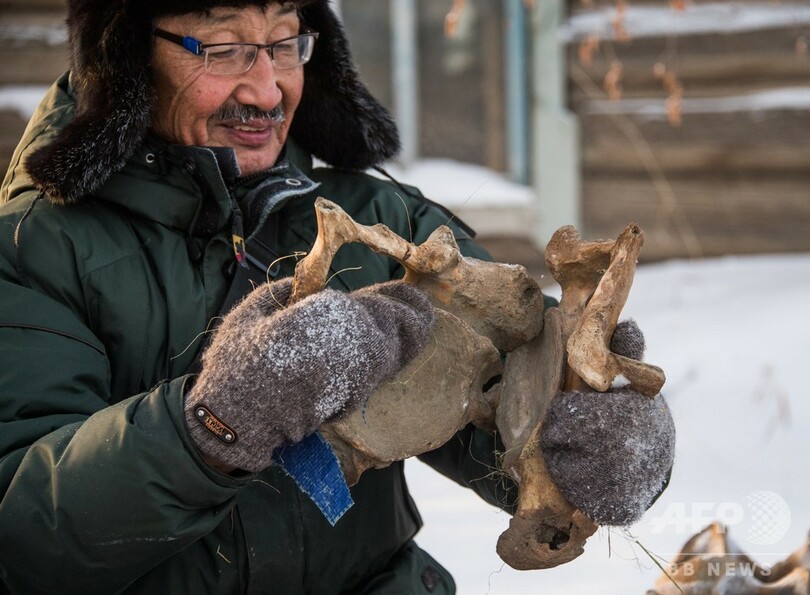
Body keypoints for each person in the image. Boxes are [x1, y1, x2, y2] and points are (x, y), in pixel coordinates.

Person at [0, 0, 675, 592]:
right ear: (126, 58)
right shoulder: (34, 250)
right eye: (226, 48)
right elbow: (22, 541)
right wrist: (212, 427)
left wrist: (590, 440)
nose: (267, 89)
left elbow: (506, 405)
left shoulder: (382, 225)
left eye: (285, 42)